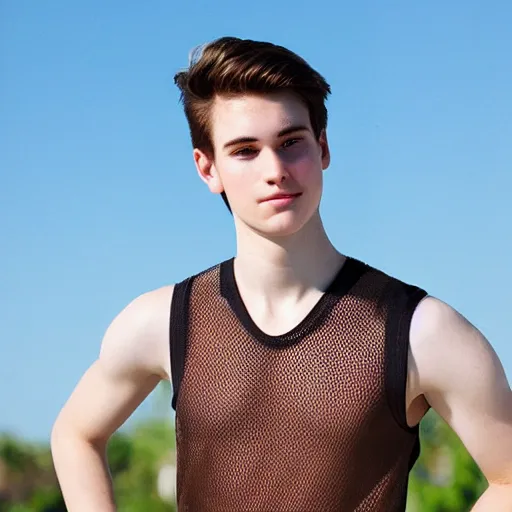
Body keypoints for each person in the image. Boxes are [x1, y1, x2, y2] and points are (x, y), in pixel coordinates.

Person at [51, 37, 512, 511]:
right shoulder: (164, 322)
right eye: (245, 151)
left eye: (291, 142)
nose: (275, 169)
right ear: (207, 168)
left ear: (323, 147)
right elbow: (75, 433)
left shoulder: (419, 330)